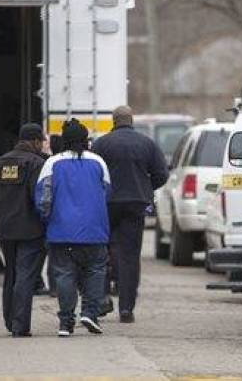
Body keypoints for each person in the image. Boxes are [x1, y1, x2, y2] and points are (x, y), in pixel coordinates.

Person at [92, 106, 169, 323]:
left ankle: (102, 298)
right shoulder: (147, 144)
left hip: (107, 204)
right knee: (130, 256)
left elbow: (93, 173)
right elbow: (162, 174)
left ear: (114, 122)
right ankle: (126, 309)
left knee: (102, 251)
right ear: (131, 120)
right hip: (137, 204)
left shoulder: (101, 144)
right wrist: (145, 187)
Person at [35, 118, 111, 337]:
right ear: (86, 140)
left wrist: (47, 220)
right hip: (95, 231)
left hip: (61, 232)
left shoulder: (52, 163)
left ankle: (66, 323)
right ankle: (90, 313)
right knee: (96, 271)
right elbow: (107, 192)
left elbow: (43, 199)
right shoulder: (98, 162)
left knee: (64, 275)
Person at [0, 123, 47, 337]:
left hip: (6, 229)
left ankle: (10, 321)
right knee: (26, 276)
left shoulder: (0, 163)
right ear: (36, 141)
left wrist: (3, 213)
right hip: (30, 229)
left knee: (11, 274)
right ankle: (20, 325)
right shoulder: (36, 163)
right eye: (41, 141)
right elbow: (40, 198)